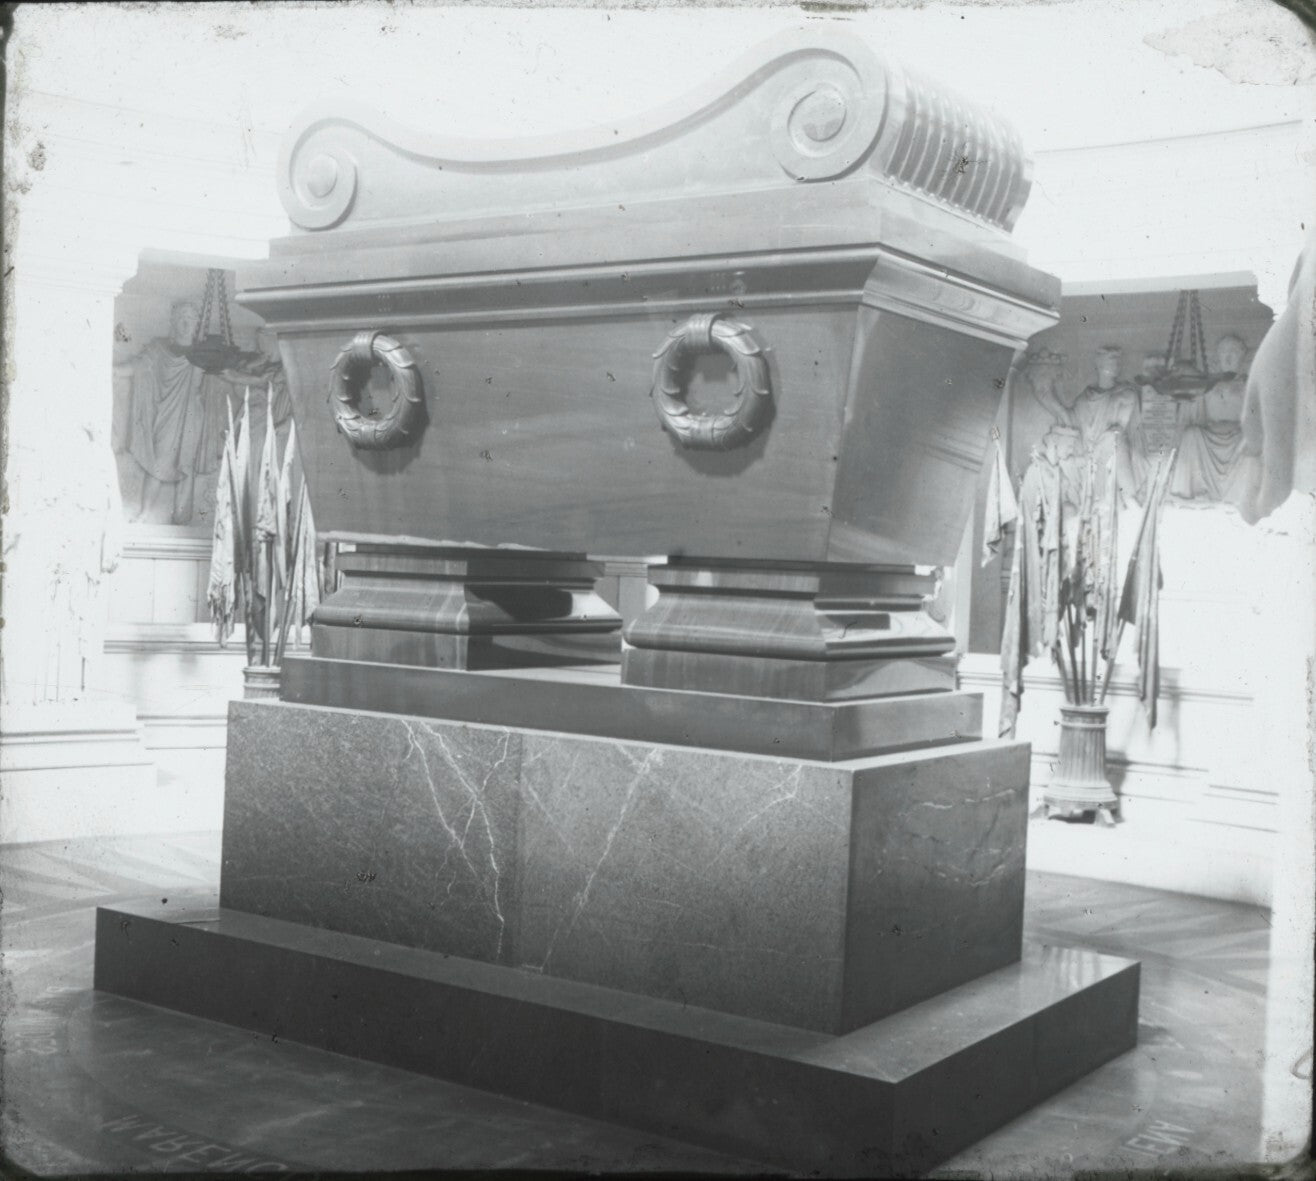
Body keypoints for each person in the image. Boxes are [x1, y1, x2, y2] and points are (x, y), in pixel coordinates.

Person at [1168, 335, 1248, 503]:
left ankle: (1242, 494)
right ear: (1218, 356)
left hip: (1238, 437)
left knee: (1250, 440)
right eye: (1224, 352)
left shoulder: (1247, 385)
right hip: (1209, 436)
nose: (1228, 357)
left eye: (1233, 352)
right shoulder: (1209, 385)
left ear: (1241, 356)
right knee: (1191, 434)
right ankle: (1192, 492)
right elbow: (1192, 412)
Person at [1066, 345, 1148, 505]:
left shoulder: (1126, 394)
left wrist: (1095, 452)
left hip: (1114, 450)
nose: (1116, 365)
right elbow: (1073, 428)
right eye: (1112, 360)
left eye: (1118, 361)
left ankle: (1130, 500)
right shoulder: (1082, 400)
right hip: (1090, 456)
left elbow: (1118, 429)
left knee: (1116, 440)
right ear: (1099, 364)